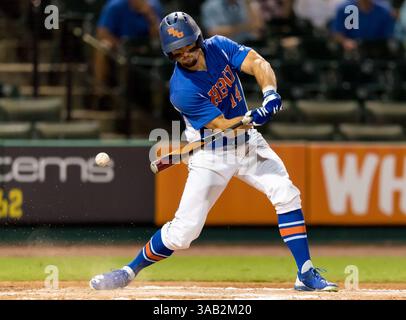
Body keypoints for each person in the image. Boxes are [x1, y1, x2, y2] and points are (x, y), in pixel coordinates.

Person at [89, 11, 338, 292]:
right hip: (212, 155)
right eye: (176, 52)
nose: (184, 55)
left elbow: (257, 62)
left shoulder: (219, 46)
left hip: (247, 144)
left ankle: (305, 274)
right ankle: (129, 270)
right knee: (184, 233)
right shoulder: (181, 89)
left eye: (187, 47)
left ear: (198, 39)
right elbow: (224, 125)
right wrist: (250, 118)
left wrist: (269, 93)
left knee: (286, 193)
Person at [331, 0, 395, 52]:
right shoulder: (344, 9)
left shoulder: (384, 11)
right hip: (351, 52)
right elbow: (337, 33)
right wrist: (345, 42)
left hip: (377, 50)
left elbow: (388, 36)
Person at [200, 0, 265, 44]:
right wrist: (244, 27)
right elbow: (213, 33)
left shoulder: (248, 3)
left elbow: (258, 30)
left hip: (250, 45)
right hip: (223, 47)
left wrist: (250, 5)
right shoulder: (210, 5)